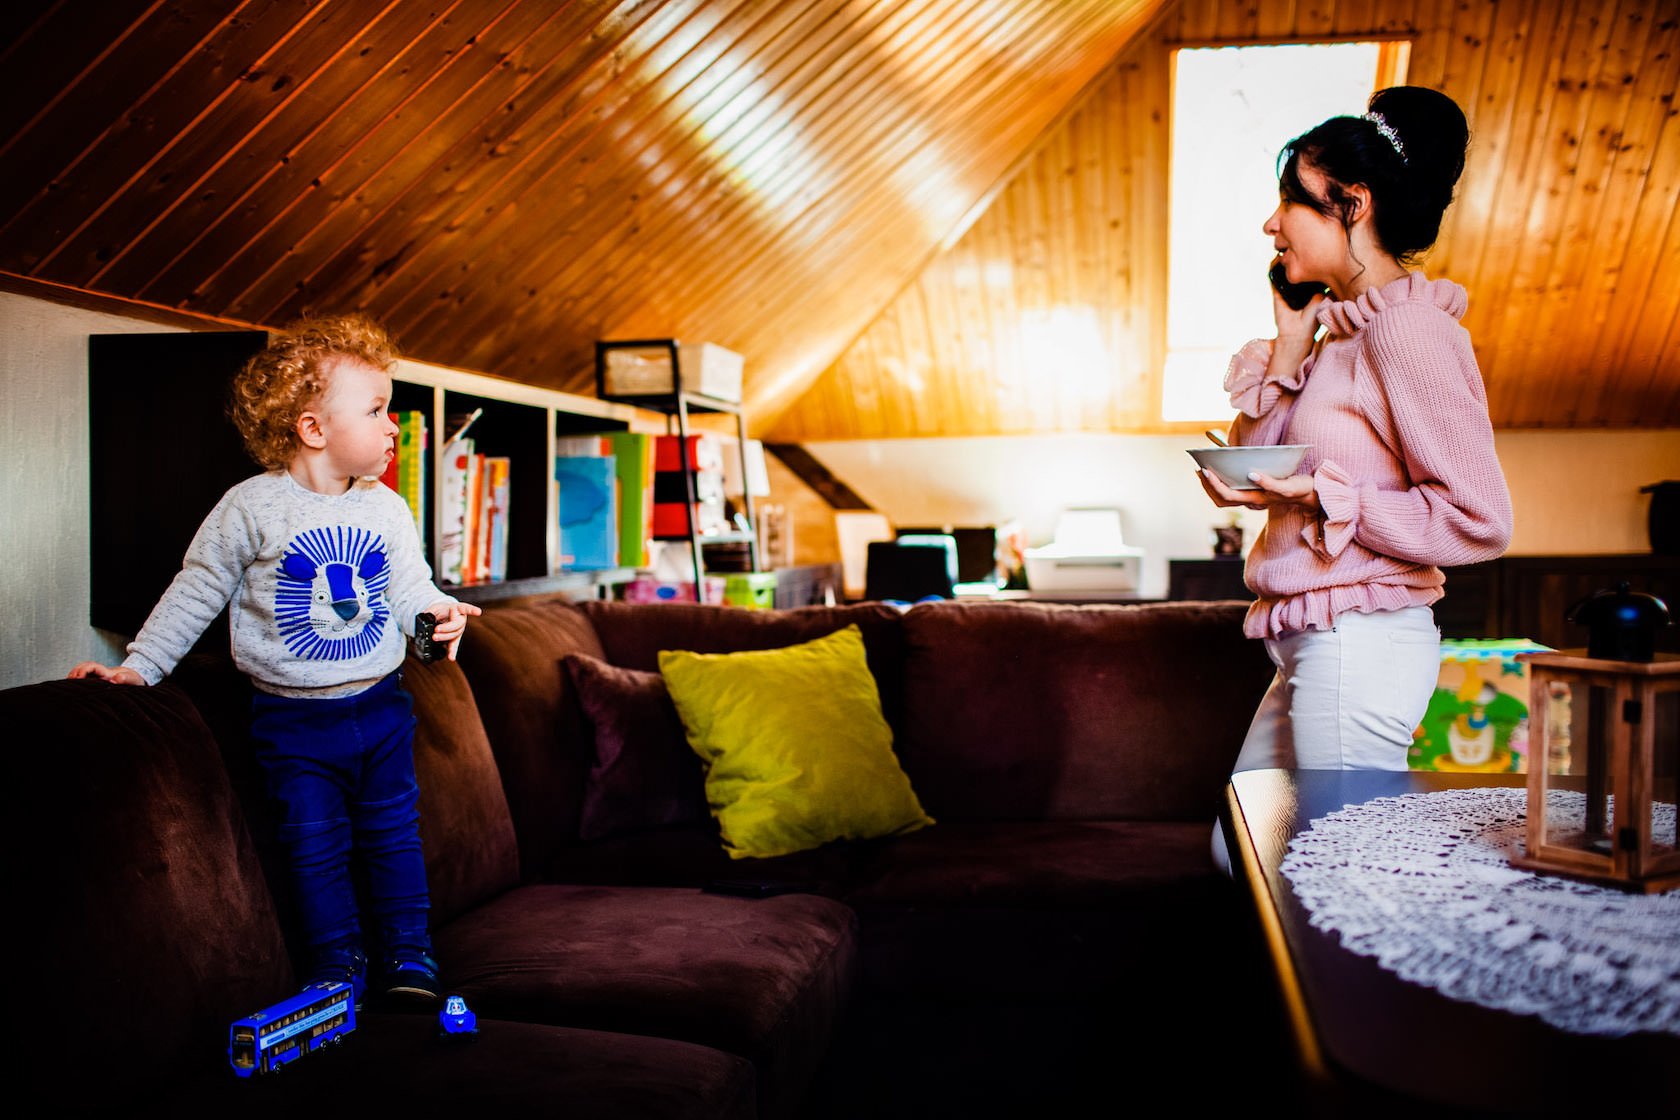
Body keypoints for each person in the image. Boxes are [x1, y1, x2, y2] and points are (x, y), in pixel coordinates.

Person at [69, 314, 481, 1005]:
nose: (393, 427)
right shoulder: (250, 509)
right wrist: (139, 668)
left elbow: (410, 583)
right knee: (315, 847)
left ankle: (411, 958)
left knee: (392, 838)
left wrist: (435, 608)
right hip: (292, 725)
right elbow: (196, 590)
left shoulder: (388, 508)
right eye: (377, 410)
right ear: (313, 429)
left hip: (381, 709)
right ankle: (337, 965)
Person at [1200, 87, 1513, 869]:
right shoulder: (1336, 336)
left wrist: (1331, 497)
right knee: (1239, 849)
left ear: (1352, 204)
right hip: (1314, 639)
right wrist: (1288, 337)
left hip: (1361, 641)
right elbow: (1263, 456)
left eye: (1289, 201)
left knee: (1339, 868)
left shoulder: (1409, 329)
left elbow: (1479, 517)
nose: (1271, 224)